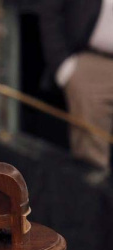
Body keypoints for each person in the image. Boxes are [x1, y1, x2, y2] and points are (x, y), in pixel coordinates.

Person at [37, 0, 113, 181]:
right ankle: (94, 206)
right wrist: (64, 67)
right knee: (91, 162)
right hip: (90, 60)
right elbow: (50, 10)